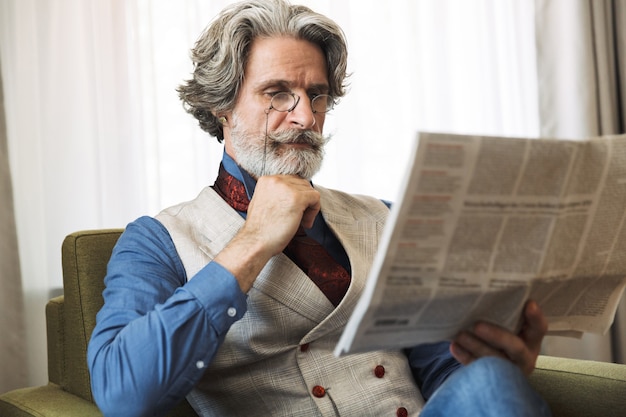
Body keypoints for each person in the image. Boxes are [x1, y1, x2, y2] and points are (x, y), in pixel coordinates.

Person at [87, 1, 551, 416]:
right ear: (222, 107)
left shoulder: (386, 219)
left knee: (490, 380)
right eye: (278, 94)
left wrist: (492, 372)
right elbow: (122, 393)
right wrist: (252, 243)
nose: (306, 117)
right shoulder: (157, 242)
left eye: (317, 94)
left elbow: (439, 369)